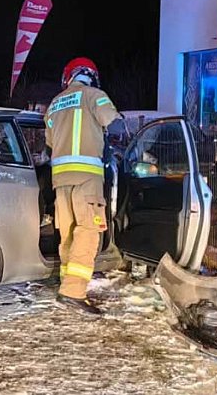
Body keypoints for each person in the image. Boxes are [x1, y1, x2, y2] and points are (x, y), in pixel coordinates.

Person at [45, 57, 121, 315]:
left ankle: (68, 282)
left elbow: (49, 143)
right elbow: (114, 122)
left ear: (68, 77)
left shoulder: (54, 104)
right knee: (88, 230)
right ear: (92, 76)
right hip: (87, 177)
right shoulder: (94, 96)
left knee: (67, 233)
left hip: (60, 179)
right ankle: (73, 292)